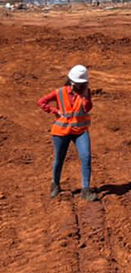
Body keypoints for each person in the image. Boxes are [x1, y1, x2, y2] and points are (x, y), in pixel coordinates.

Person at [37, 65, 96, 201]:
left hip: (80, 131)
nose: (82, 86)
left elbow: (87, 108)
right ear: (72, 82)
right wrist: (54, 111)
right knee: (59, 159)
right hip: (61, 131)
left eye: (84, 84)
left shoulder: (85, 93)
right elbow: (41, 101)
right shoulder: (59, 92)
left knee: (86, 157)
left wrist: (85, 95)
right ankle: (55, 185)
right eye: (80, 84)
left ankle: (85, 190)